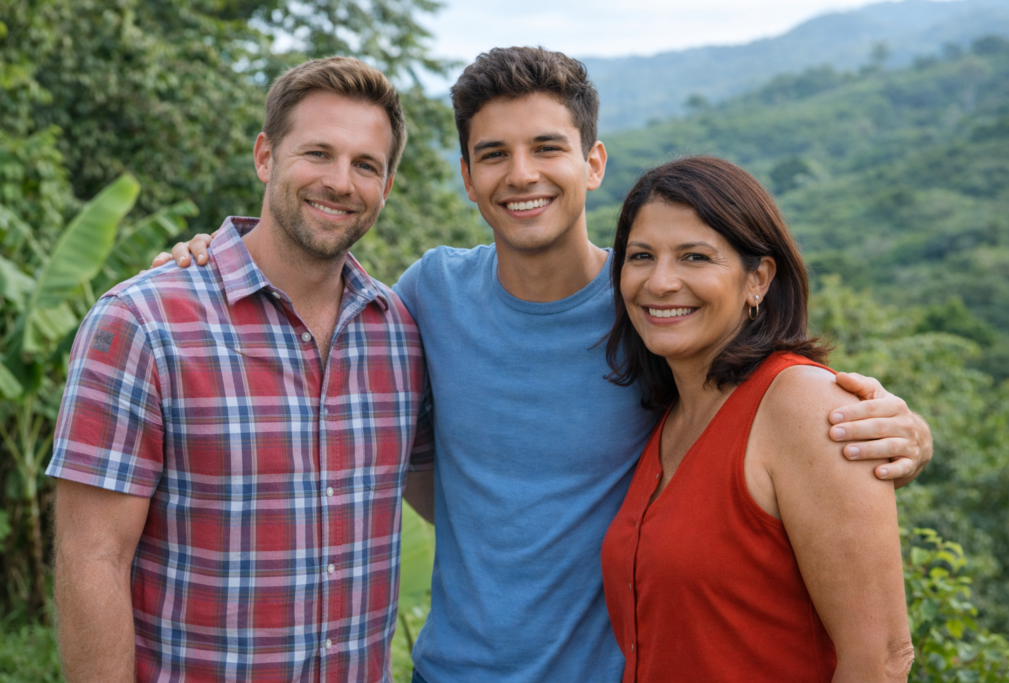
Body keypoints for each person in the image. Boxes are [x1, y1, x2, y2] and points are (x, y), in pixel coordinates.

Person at [158, 47, 932, 683]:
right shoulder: (429, 293)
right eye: (494, 154)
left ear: (592, 162)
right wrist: (206, 259)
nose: (522, 174)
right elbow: (323, 325)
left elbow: (764, 397)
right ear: (467, 177)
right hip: (448, 671)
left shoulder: (653, 309)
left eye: (548, 148)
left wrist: (901, 426)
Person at [47, 57, 435, 682]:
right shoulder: (143, 322)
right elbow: (92, 557)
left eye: (366, 165)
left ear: (386, 186)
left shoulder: (401, 335)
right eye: (318, 153)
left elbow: (459, 497)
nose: (340, 181)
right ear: (265, 156)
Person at [600, 156, 914, 682]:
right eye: (641, 256)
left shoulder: (803, 404)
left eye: (695, 257)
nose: (660, 281)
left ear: (758, 279)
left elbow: (880, 660)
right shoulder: (669, 418)